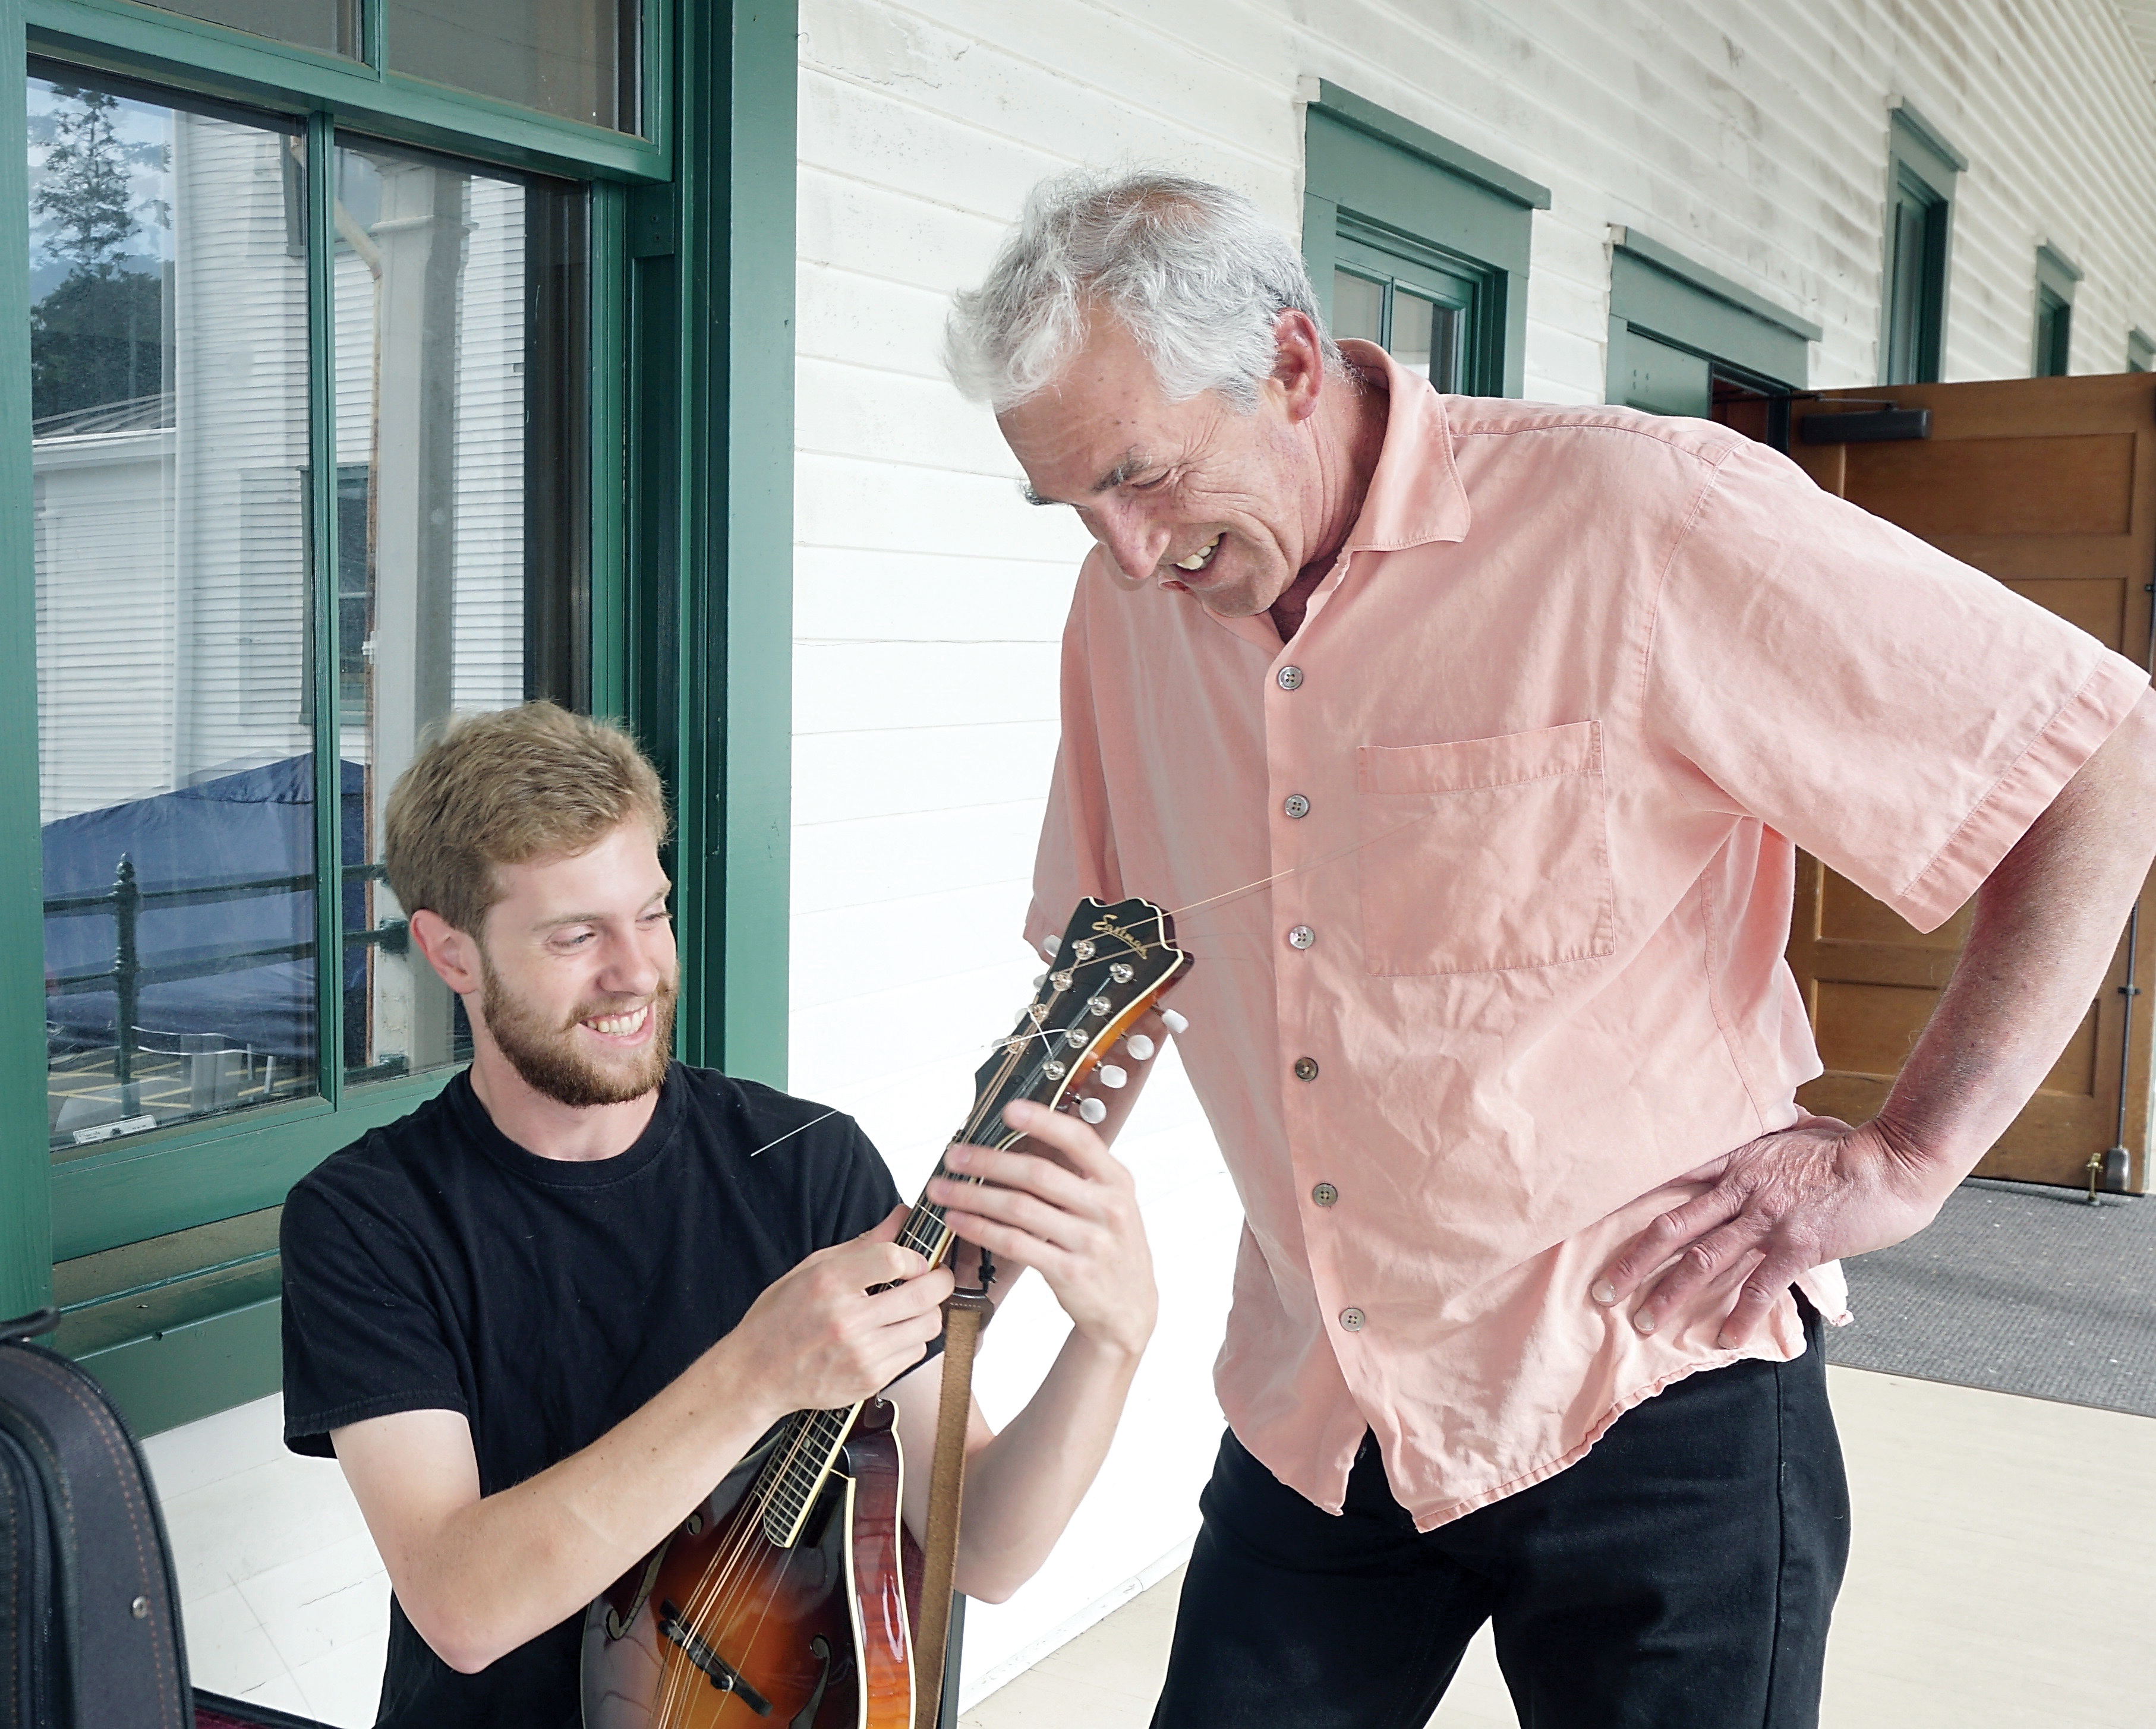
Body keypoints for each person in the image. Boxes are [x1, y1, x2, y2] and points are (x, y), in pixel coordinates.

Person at [944, 170, 2156, 1727]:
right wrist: (973, 1231)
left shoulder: (1642, 514)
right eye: (1072, 507)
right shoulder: (1128, 605)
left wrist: (1912, 1156)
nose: (1122, 553)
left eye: (1142, 478)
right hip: (1323, 1402)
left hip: (1647, 1383)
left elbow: (2093, 761)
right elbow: (1114, 955)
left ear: (1292, 366)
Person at [278, 702, 1159, 1727]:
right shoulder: (366, 1218)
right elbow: (462, 1606)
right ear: (452, 952)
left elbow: (985, 1552)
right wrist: (757, 1371)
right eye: (576, 934)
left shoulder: (808, 1163)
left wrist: (1113, 1340)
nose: (636, 970)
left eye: (651, 912)